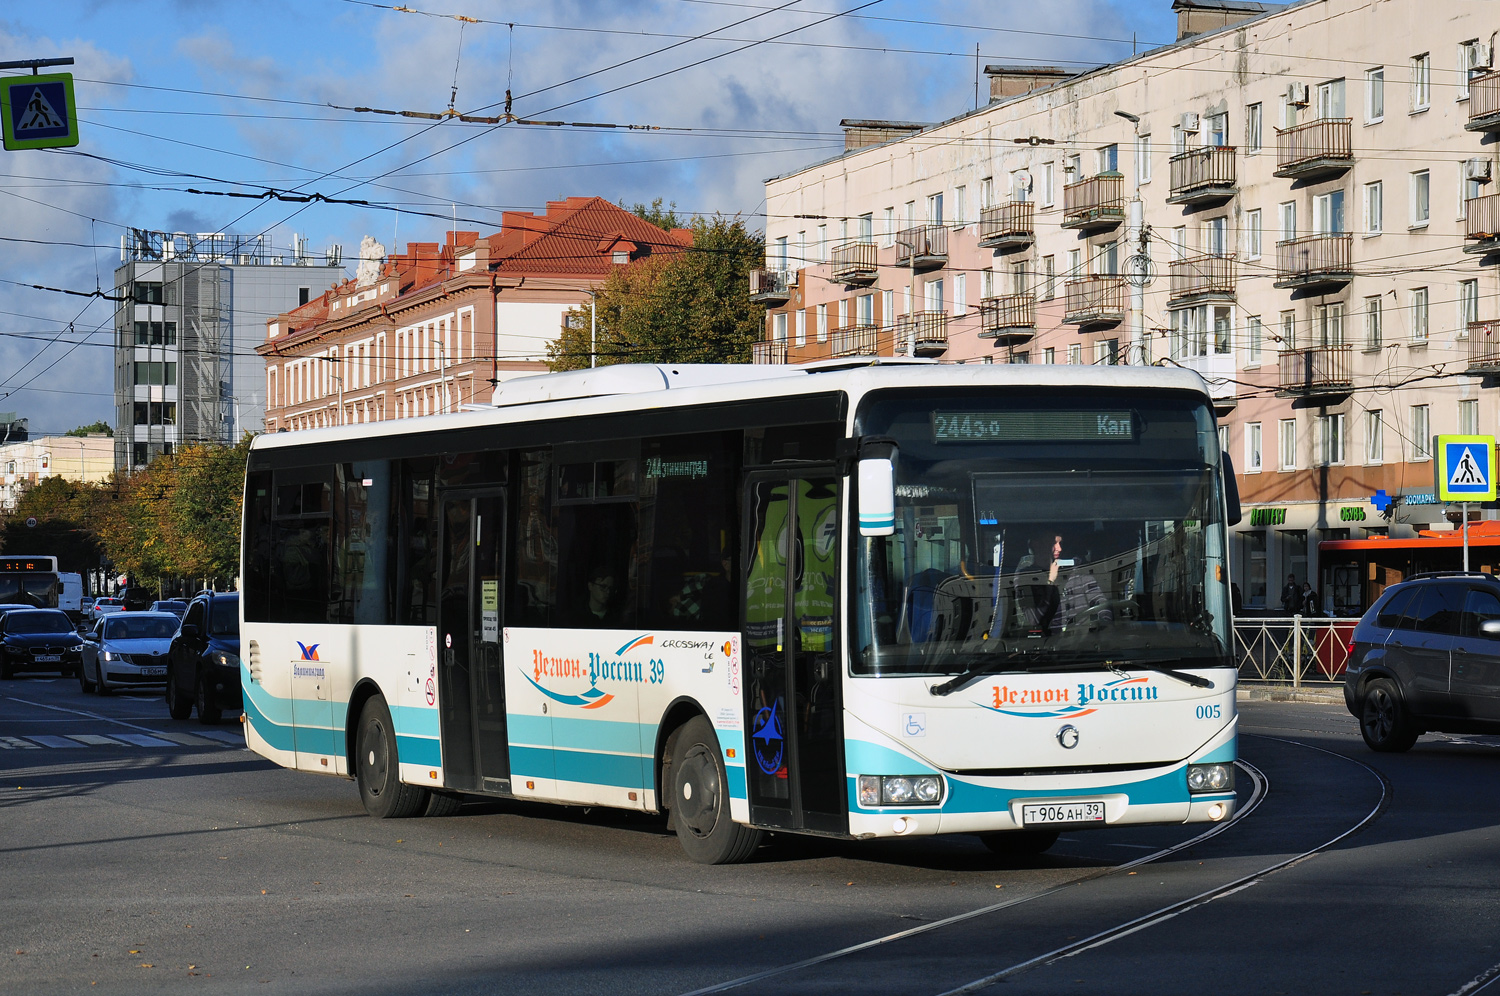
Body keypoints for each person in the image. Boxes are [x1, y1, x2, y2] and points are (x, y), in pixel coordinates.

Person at [1014, 528, 1112, 635]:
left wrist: (1103, 626)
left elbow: (1101, 603)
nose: (1059, 548)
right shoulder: (1025, 577)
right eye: (1053, 543)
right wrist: (1050, 582)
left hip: (1083, 643)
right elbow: (1034, 619)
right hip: (1049, 646)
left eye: (1060, 543)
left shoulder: (1077, 573)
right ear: (1036, 544)